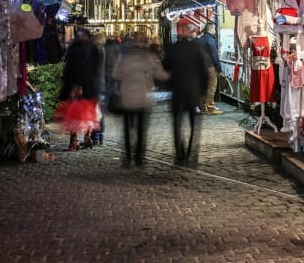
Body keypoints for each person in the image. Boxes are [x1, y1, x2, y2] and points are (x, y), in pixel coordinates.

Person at [112, 33, 168, 167]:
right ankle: (139, 157)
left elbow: (115, 74)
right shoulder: (147, 55)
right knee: (141, 129)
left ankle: (127, 157)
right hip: (143, 97)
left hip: (126, 97)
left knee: (127, 129)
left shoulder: (124, 55)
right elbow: (160, 74)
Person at [163, 19, 209, 166]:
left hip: (177, 91)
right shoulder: (197, 47)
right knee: (194, 124)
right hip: (192, 91)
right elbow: (204, 71)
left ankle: (179, 155)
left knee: (177, 125)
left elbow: (165, 69)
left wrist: (168, 85)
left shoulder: (172, 48)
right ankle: (192, 155)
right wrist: (203, 92)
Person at [57, 27, 101, 150]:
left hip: (79, 86)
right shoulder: (90, 48)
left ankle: (77, 140)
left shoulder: (80, 49)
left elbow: (73, 68)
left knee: (76, 115)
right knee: (85, 114)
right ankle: (84, 138)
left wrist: (76, 85)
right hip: (87, 86)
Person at [197, 22, 224, 115]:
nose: (215, 31)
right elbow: (214, 55)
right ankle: (211, 108)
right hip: (210, 67)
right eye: (214, 29)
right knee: (211, 87)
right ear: (210, 29)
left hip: (200, 68)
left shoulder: (199, 40)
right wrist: (219, 69)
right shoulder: (210, 40)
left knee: (203, 87)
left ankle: (202, 107)